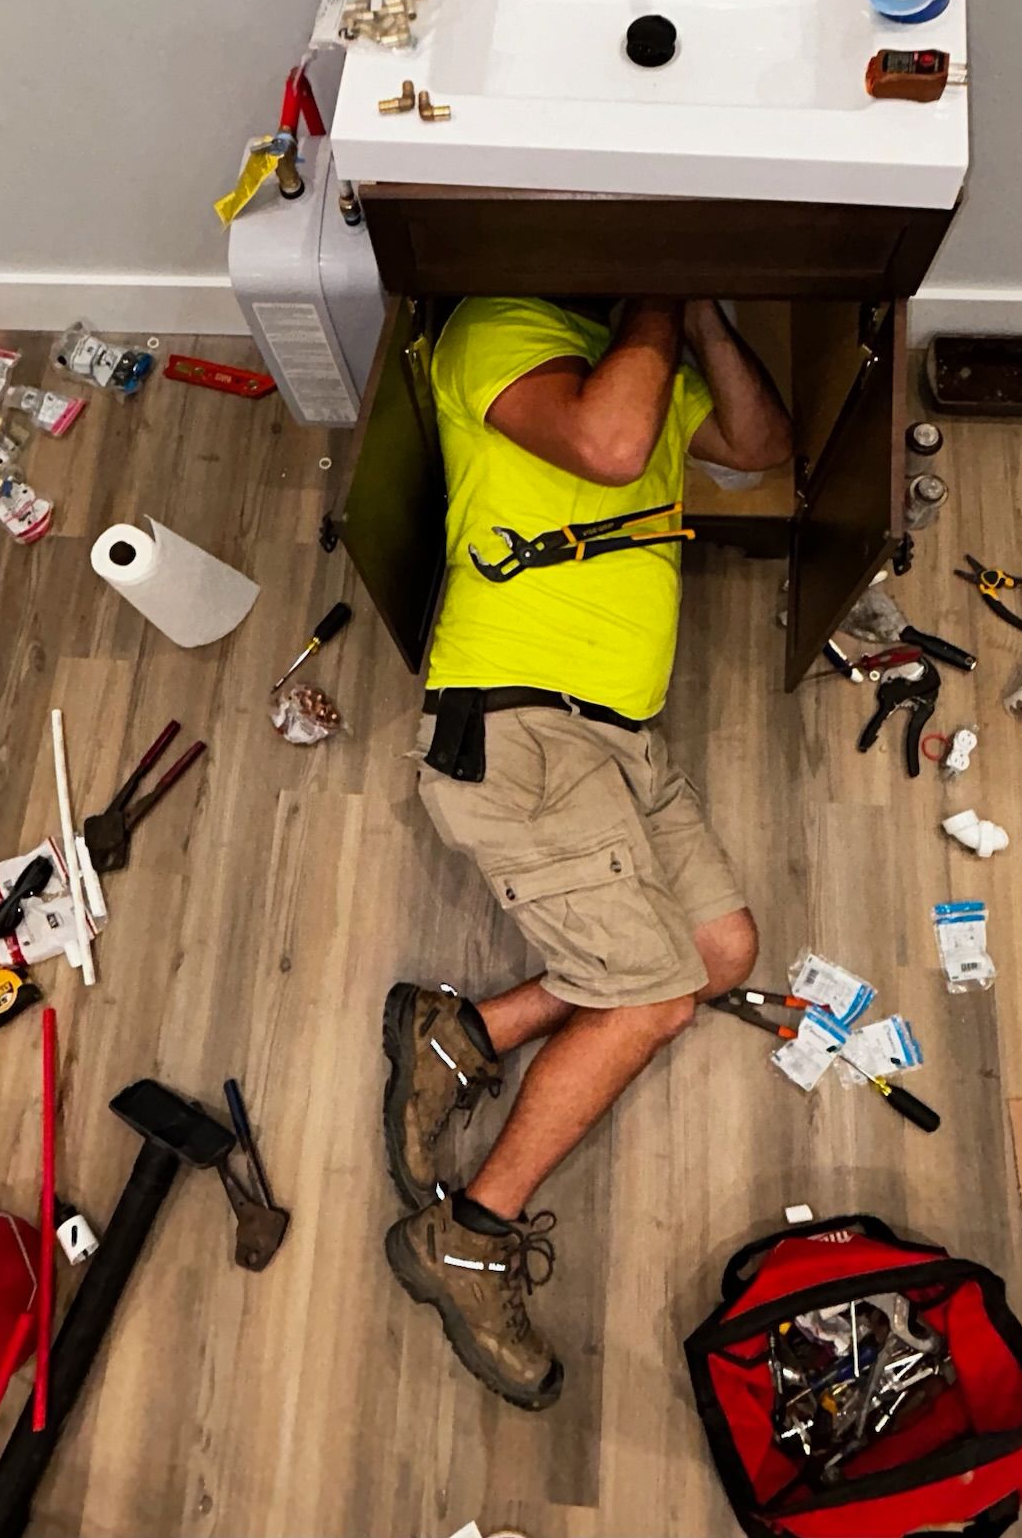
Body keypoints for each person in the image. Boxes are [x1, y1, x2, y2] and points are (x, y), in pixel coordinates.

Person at [381, 295, 792, 1409]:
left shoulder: (644, 372)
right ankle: (469, 1233)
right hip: (519, 722)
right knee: (650, 1000)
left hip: (618, 735)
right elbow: (608, 446)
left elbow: (761, 450)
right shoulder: (502, 327)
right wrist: (657, 301)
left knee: (718, 950)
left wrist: (702, 316)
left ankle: (467, 1030)